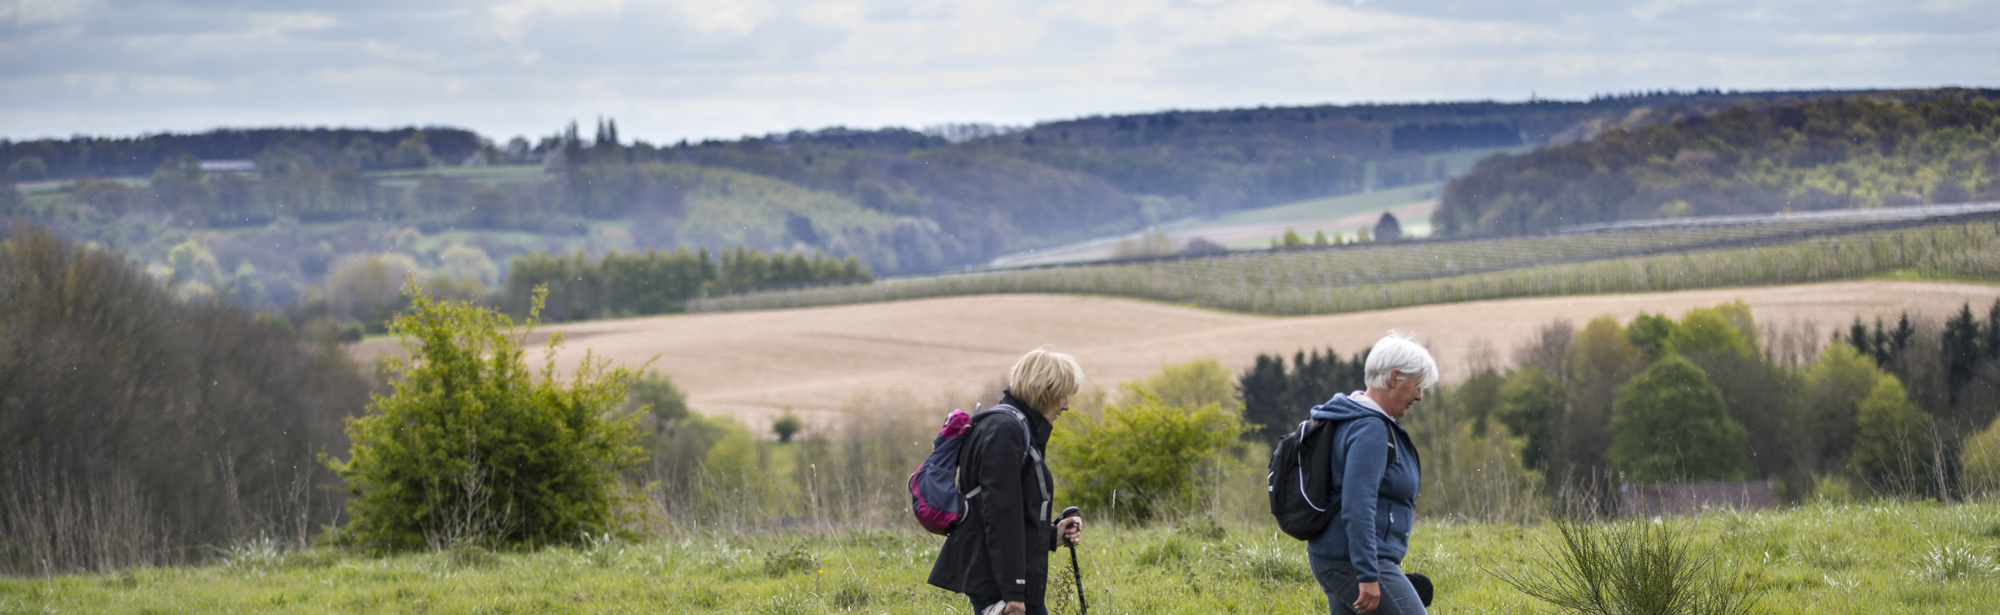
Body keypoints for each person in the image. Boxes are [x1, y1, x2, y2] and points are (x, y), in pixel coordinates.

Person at [928, 348, 1088, 615]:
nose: (1066, 405)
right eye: (1062, 394)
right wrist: (1014, 593)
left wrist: (1053, 534)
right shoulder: (1005, 431)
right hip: (1000, 586)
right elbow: (1001, 515)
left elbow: (1009, 513)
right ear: (1044, 391)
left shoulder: (1015, 427)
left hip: (1004, 579)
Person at [1307, 332, 1438, 615]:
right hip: (1356, 562)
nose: (1419, 395)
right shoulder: (1370, 429)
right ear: (1394, 378)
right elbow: (1358, 505)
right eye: (1416, 385)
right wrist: (1367, 575)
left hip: (1333, 556)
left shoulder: (1350, 418)